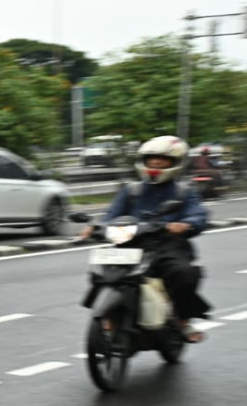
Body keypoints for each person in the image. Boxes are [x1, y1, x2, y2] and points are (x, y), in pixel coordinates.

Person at [78, 135, 211, 341]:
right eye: (152, 158)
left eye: (163, 159)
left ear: (176, 163)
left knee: (183, 273)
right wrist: (94, 226)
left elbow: (198, 214)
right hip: (130, 242)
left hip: (167, 244)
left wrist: (186, 224)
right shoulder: (131, 190)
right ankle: (110, 314)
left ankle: (182, 320)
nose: (156, 162)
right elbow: (110, 215)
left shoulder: (184, 192)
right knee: (102, 268)